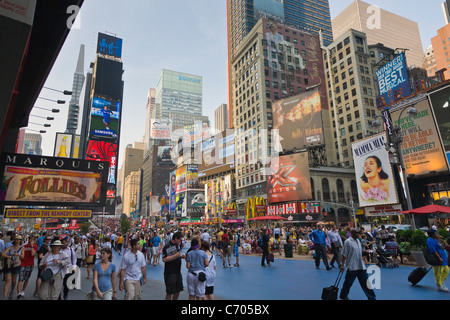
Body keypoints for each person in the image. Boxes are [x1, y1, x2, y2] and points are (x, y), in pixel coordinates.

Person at [339, 229, 376, 300]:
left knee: (366, 283)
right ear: (351, 233)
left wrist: (365, 251)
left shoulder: (358, 241)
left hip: (361, 266)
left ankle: (371, 297)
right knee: (348, 283)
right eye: (355, 233)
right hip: (352, 266)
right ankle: (343, 295)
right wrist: (342, 265)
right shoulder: (348, 242)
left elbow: (358, 252)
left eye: (358, 233)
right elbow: (344, 254)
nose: (357, 234)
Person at [162, 231, 186, 300]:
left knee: (178, 290)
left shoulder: (176, 245)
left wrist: (181, 257)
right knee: (170, 292)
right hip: (170, 273)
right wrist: (176, 255)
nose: (180, 242)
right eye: (180, 240)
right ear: (176, 238)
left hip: (177, 272)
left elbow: (174, 256)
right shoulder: (167, 246)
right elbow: (164, 259)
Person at [2, 235, 24, 300]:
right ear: (14, 240)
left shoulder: (22, 248)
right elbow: (3, 254)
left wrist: (19, 255)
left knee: (14, 281)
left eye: (19, 239)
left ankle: (11, 291)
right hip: (9, 265)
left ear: (20, 241)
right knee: (7, 280)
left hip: (16, 265)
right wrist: (9, 257)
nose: (17, 240)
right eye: (16, 239)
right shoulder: (10, 247)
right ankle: (4, 297)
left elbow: (23, 256)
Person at [16, 234, 37, 299]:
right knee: (20, 278)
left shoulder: (35, 246)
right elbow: (22, 256)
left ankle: (23, 290)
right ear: (28, 239)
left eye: (32, 239)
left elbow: (33, 254)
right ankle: (19, 292)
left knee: (26, 278)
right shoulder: (24, 246)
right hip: (23, 264)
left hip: (30, 264)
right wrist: (19, 255)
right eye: (30, 239)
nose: (31, 240)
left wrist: (31, 246)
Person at [60, 235, 77, 300]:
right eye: (63, 242)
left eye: (66, 242)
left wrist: (74, 267)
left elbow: (74, 259)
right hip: (60, 268)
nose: (65, 243)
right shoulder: (59, 250)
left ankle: (65, 294)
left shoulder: (71, 250)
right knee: (59, 283)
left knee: (66, 283)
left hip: (68, 268)